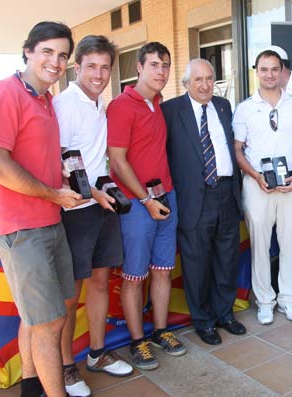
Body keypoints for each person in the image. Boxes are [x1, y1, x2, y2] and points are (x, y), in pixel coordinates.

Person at [0, 21, 85, 397]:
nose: (55, 61)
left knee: (44, 315)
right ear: (28, 51)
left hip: (49, 219)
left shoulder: (46, 100)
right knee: (49, 322)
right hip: (19, 226)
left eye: (62, 55)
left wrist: (63, 184)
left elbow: (35, 156)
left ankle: (30, 386)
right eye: (47, 52)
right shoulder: (3, 93)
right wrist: (53, 195)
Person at [53, 35, 133, 397]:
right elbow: (60, 161)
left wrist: (105, 193)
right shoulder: (64, 104)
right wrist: (94, 195)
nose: (99, 74)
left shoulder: (102, 103)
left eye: (105, 67)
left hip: (104, 205)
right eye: (92, 66)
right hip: (76, 211)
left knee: (101, 281)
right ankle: (67, 367)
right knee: (70, 295)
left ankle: (97, 354)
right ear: (77, 67)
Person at [107, 42, 185, 370]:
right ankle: (138, 342)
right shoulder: (122, 105)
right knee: (135, 277)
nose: (161, 72)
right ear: (138, 67)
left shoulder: (158, 102)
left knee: (163, 271)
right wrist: (146, 200)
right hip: (139, 205)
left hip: (167, 196)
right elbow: (118, 160)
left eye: (165, 65)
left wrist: (158, 198)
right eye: (154, 65)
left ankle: (161, 331)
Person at [162, 58, 246, 345]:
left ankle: (225, 314)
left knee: (227, 259)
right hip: (194, 198)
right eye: (198, 79)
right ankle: (203, 320)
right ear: (186, 83)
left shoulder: (223, 106)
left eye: (209, 78)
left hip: (226, 193)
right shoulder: (171, 111)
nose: (205, 84)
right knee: (197, 263)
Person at [233, 49, 292, 325]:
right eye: (264, 69)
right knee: (260, 244)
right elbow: (238, 150)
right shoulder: (244, 108)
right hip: (258, 185)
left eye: (274, 69)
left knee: (290, 242)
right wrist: (255, 175)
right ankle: (265, 300)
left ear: (282, 72)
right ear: (257, 72)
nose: (269, 74)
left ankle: (288, 299)